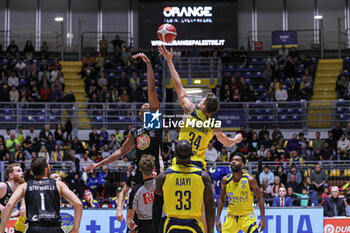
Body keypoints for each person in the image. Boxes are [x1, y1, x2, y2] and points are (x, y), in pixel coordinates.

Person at [86, 53, 162, 222]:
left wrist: (148, 64)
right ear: (140, 113)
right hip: (139, 171)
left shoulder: (154, 122)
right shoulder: (135, 130)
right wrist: (98, 164)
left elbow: (151, 89)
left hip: (157, 170)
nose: (148, 105)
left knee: (158, 209)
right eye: (145, 106)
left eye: (150, 105)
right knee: (133, 208)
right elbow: (120, 152)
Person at [158, 45, 242, 171]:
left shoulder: (190, 110)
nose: (200, 100)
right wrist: (237, 139)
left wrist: (169, 61)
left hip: (180, 161)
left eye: (202, 99)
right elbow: (227, 142)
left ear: (203, 106)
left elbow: (178, 86)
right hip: (197, 166)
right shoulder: (214, 126)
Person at [0, 157, 82, 233]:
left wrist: (2, 230)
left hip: (34, 228)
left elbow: (10, 205)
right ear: (46, 170)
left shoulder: (24, 186)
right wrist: (75, 228)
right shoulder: (59, 184)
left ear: (32, 171)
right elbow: (78, 204)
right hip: (54, 228)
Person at [153, 140, 215, 233]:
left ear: (175, 154)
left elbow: (156, 209)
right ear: (191, 154)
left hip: (171, 225)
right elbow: (210, 208)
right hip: (195, 225)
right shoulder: (203, 177)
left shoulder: (163, 177)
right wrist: (210, 231)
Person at [216, 153, 265, 233]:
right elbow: (221, 198)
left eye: (237, 160)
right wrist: (218, 219)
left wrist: (262, 219)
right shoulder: (225, 180)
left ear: (242, 165)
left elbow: (260, 198)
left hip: (246, 217)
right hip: (231, 218)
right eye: (232, 160)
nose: (233, 162)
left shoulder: (250, 180)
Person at [127, 155, 161, 232]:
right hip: (161, 223)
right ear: (154, 168)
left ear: (140, 169)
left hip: (145, 226)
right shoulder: (161, 185)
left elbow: (129, 219)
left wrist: (130, 224)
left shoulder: (135, 190)